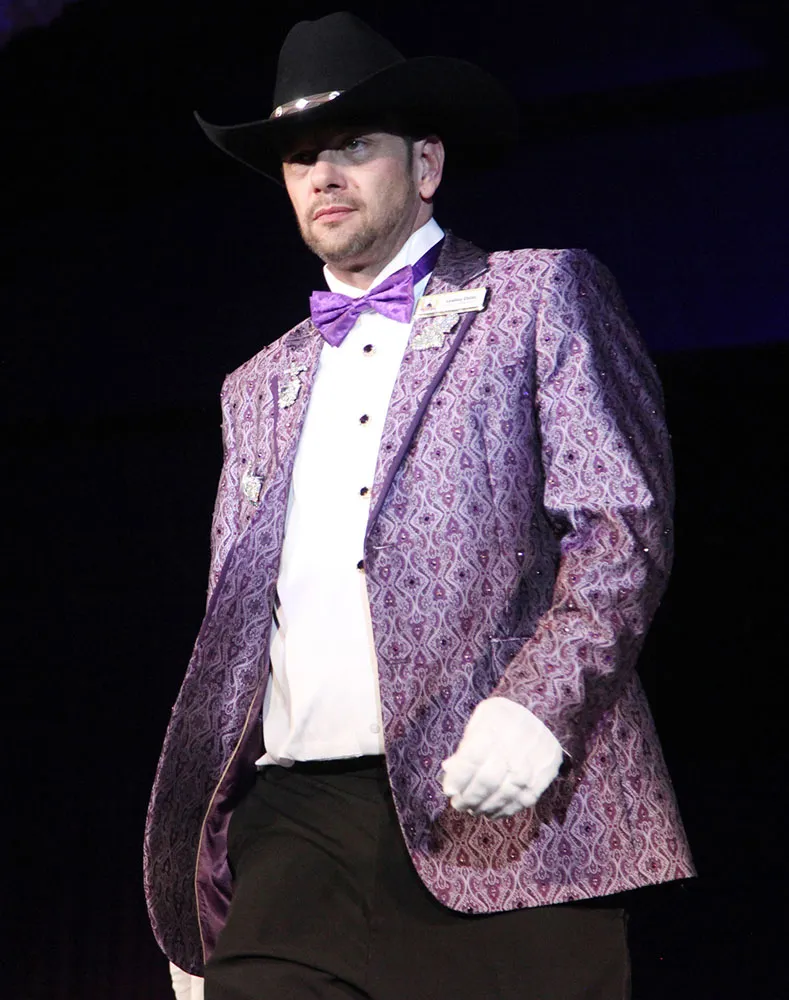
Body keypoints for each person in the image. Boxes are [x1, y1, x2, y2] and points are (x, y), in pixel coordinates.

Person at [144, 12, 694, 1000]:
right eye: (300, 158)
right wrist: (202, 880)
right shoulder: (254, 385)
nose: (324, 174)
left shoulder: (537, 297)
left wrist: (539, 704)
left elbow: (621, 527)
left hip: (505, 824)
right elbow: (236, 641)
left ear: (426, 163)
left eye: (353, 145)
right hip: (295, 836)